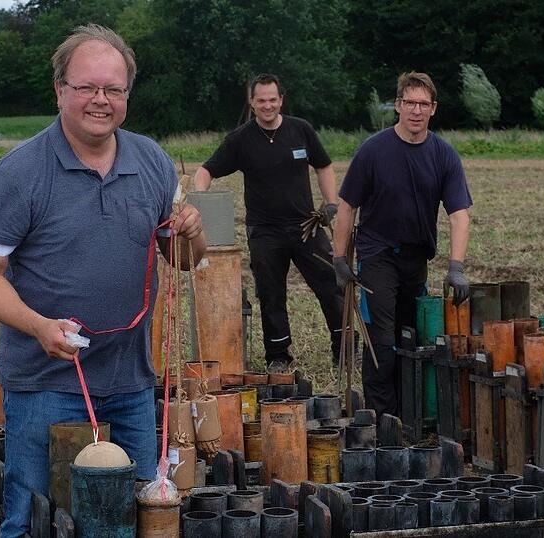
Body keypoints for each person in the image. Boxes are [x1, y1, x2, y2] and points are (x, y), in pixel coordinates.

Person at [0, 24, 205, 538]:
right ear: (60, 91)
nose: (101, 100)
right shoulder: (21, 172)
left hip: (130, 382)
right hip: (47, 384)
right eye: (87, 87)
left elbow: (184, 260)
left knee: (134, 520)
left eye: (113, 89)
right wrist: (38, 326)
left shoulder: (152, 162)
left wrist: (193, 231)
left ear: (127, 96)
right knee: (35, 519)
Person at [332, 72, 472, 418]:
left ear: (433, 109)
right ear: (398, 105)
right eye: (410, 102)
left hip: (415, 259)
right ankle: (382, 422)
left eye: (423, 104)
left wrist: (456, 267)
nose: (416, 110)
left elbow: (459, 215)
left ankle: (409, 417)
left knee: (411, 338)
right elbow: (347, 206)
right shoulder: (373, 151)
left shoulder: (444, 155)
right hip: (377, 255)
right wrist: (339, 259)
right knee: (382, 342)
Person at [193, 74, 345, 370]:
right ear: (252, 102)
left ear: (281, 100)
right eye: (261, 100)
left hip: (306, 226)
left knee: (331, 284)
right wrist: (200, 201)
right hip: (265, 232)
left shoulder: (300, 130)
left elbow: (324, 165)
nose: (267, 106)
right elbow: (206, 171)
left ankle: (344, 348)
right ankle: (278, 356)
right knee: (271, 293)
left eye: (272, 100)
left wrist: (330, 203)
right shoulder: (241, 139)